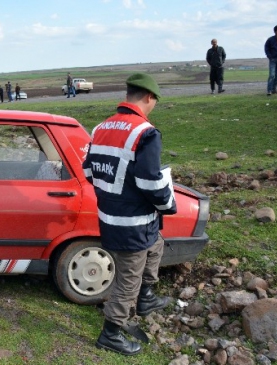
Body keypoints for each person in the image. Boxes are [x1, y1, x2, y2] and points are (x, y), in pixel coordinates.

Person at [82, 73, 177, 356]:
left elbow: (89, 171)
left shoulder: (101, 128)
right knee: (128, 279)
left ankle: (146, 297)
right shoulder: (145, 132)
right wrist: (168, 203)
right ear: (149, 97)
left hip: (111, 217)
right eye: (155, 102)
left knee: (156, 245)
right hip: (133, 223)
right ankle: (111, 333)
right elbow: (150, 181)